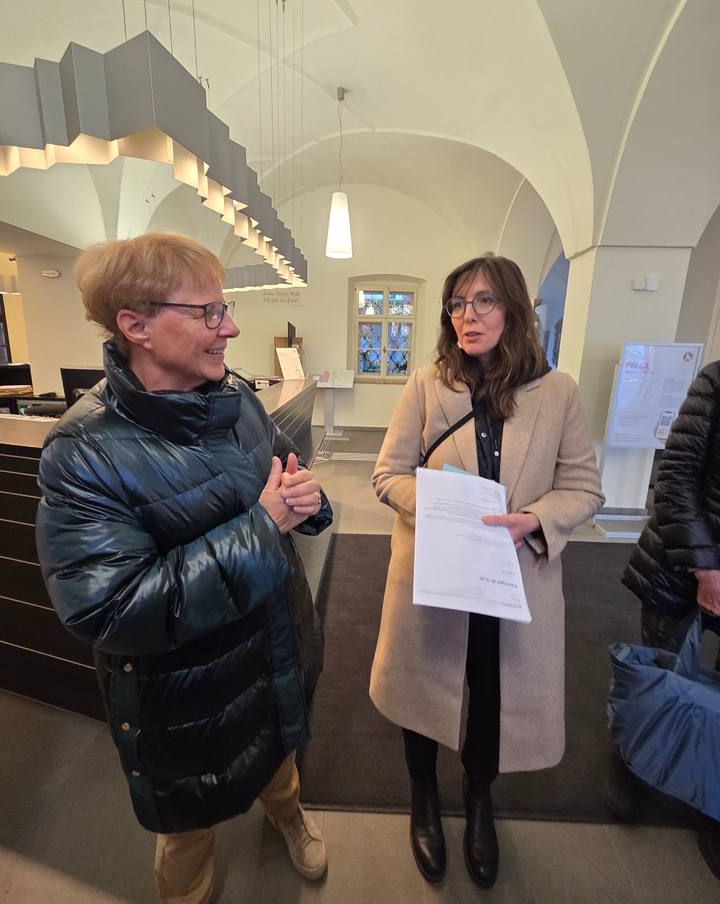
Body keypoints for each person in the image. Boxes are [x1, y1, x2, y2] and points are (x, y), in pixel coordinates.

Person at [35, 233, 332, 904]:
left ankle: (289, 817)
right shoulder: (82, 451)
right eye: (207, 312)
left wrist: (307, 502)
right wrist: (264, 528)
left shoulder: (236, 397)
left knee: (281, 764)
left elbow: (285, 477)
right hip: (186, 696)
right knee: (189, 828)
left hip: (274, 648)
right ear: (135, 325)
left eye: (225, 308)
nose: (230, 328)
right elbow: (109, 609)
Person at [370, 255, 604, 888]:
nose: (466, 316)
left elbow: (584, 488)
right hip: (434, 570)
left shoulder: (558, 392)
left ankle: (479, 801)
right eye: (456, 304)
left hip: (513, 576)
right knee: (422, 686)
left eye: (483, 302)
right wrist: (442, 508)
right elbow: (387, 474)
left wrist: (533, 519)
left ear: (514, 310)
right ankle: (423, 798)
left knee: (493, 693)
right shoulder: (428, 384)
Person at [618, 360, 720, 880]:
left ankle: (710, 798)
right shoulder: (716, 382)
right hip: (682, 565)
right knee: (660, 675)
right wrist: (707, 569)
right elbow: (675, 477)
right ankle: (635, 771)